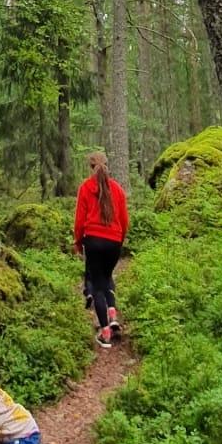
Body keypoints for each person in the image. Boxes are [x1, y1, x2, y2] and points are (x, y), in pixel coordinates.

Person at [74, 149, 128, 349]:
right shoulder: (117, 189)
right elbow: (124, 219)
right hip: (114, 241)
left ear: (91, 167)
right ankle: (112, 312)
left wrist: (78, 242)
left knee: (97, 285)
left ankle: (105, 333)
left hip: (93, 241)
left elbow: (80, 220)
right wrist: (119, 240)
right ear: (107, 165)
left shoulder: (86, 188)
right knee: (107, 276)